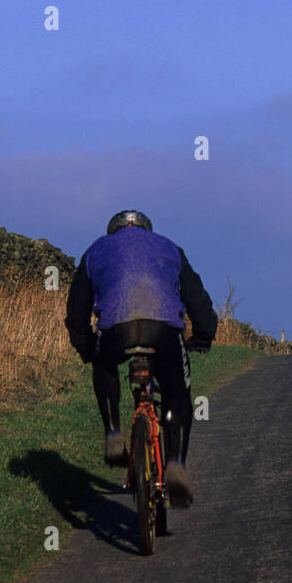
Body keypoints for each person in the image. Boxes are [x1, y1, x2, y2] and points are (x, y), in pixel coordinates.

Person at [65, 210, 217, 508]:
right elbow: (197, 299)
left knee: (104, 364)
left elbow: (76, 311)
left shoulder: (95, 250)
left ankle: (112, 433)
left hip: (116, 331)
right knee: (177, 395)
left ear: (114, 231)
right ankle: (175, 463)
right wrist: (203, 336)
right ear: (147, 230)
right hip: (163, 331)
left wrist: (87, 350)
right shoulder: (170, 247)